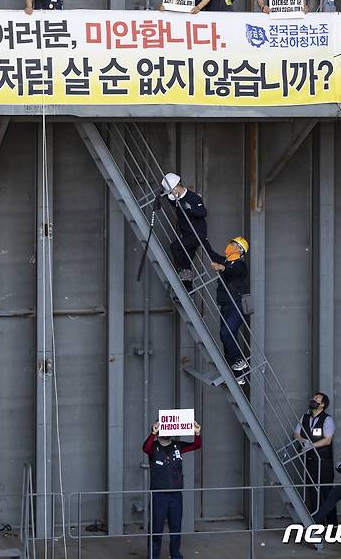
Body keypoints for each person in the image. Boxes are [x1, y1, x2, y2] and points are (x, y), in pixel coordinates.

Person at [142, 419, 202, 559]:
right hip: (158, 495)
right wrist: (152, 433)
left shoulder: (178, 446)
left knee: (176, 527)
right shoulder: (153, 447)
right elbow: (145, 448)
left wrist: (197, 433)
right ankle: (153, 556)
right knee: (156, 528)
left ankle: (175, 554)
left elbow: (196, 445)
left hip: (175, 494)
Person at [199, 232, 250, 383]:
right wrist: (203, 239)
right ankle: (238, 373)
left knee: (226, 332)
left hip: (237, 304)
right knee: (226, 336)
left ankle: (239, 362)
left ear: (239, 250)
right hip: (226, 305)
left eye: (233, 245)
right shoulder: (226, 261)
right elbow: (212, 254)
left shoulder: (240, 265)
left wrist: (221, 268)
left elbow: (232, 271)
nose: (229, 246)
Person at [294, 392, 336, 522]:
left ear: (322, 404)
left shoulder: (327, 419)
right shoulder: (305, 417)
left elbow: (328, 440)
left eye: (317, 399)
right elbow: (296, 433)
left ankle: (331, 525)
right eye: (313, 398)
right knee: (312, 493)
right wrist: (303, 442)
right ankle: (315, 522)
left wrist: (311, 446)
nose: (313, 400)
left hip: (323, 463)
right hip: (309, 461)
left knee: (326, 492)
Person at [161, 174, 207, 291]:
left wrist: (190, 209)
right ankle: (188, 290)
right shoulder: (177, 199)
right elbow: (171, 201)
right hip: (186, 234)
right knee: (186, 262)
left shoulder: (193, 198)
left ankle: (182, 272)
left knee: (175, 247)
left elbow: (203, 213)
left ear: (176, 187)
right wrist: (161, 196)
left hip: (197, 234)